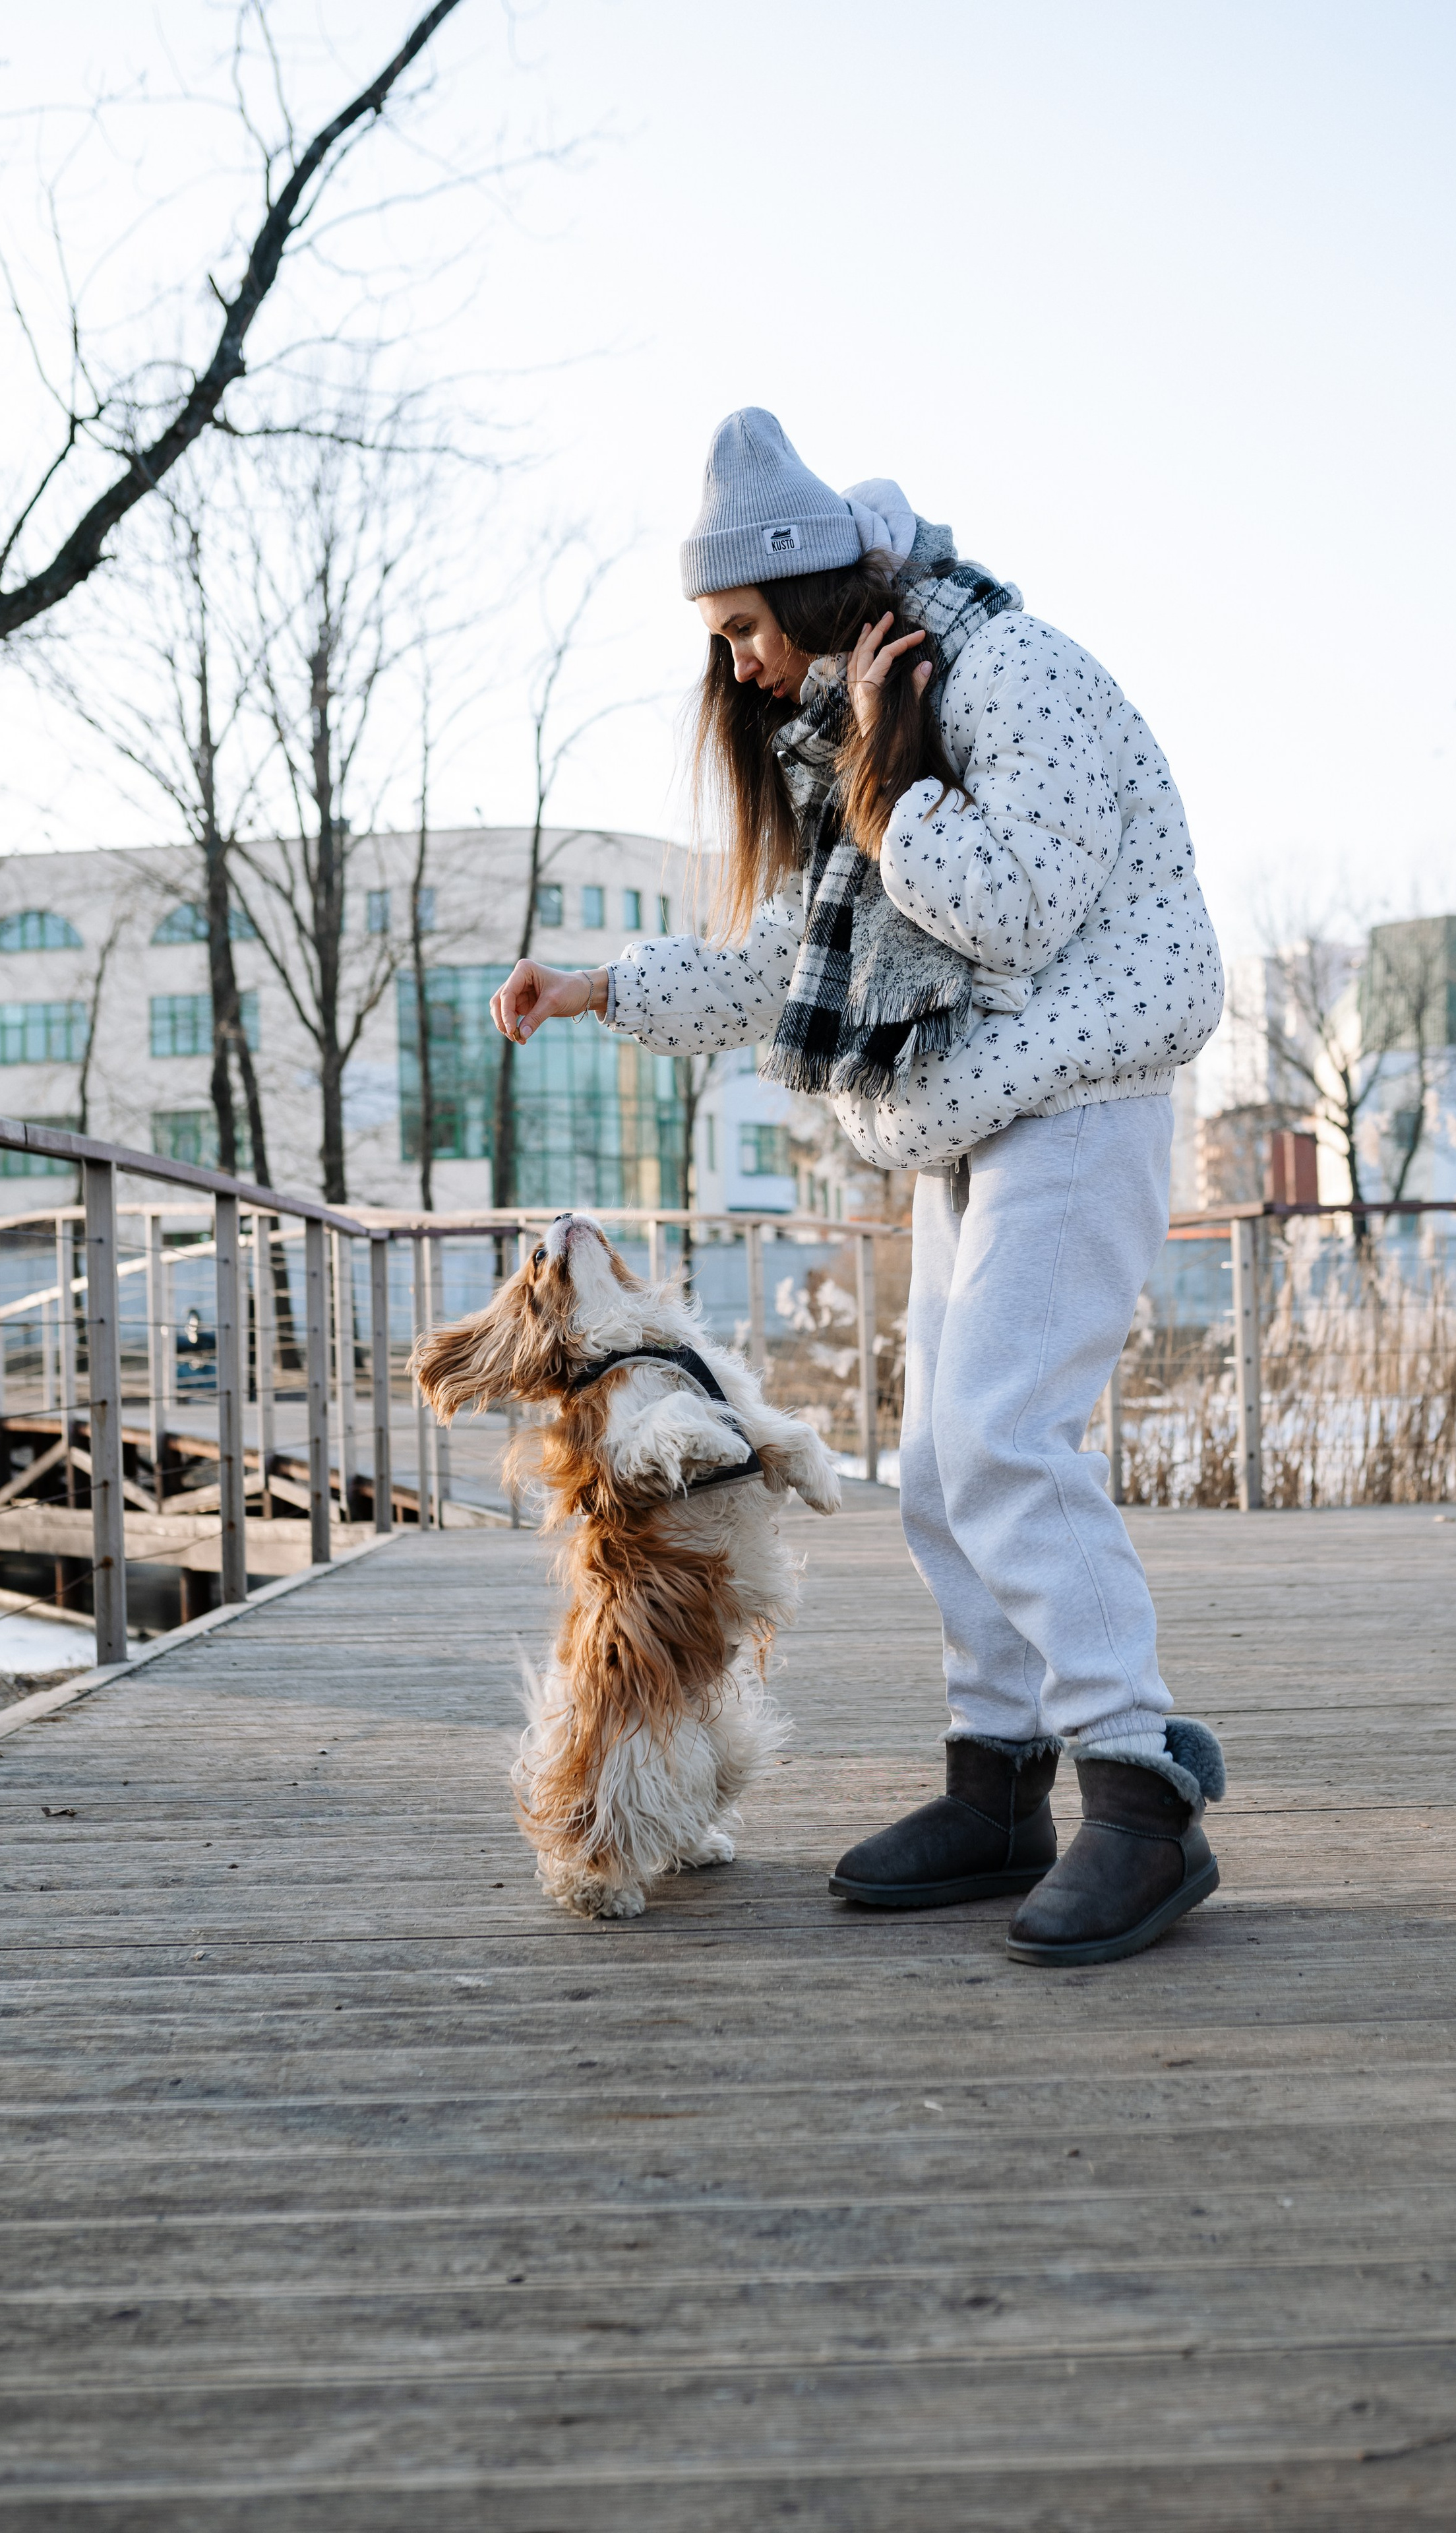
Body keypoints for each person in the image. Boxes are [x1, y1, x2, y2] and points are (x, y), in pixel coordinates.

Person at [491, 408, 1228, 1966]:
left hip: (1081, 1091)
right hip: (972, 1113)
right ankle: (999, 1781)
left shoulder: (1014, 675)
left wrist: (892, 800)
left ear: (809, 588)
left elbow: (1015, 916)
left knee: (1003, 1436)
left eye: (742, 628)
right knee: (937, 1464)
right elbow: (779, 962)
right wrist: (596, 987)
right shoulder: (857, 722)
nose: (737, 666)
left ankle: (1141, 1799)